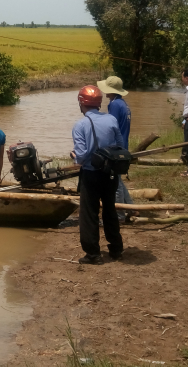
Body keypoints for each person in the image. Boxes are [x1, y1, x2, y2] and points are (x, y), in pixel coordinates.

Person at [70, 85, 125, 264]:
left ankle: (93, 253)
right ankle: (116, 249)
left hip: (91, 174)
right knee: (110, 209)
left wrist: (74, 157)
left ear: (81, 103)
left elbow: (82, 155)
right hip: (110, 173)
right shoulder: (111, 120)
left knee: (89, 213)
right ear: (99, 103)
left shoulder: (80, 125)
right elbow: (120, 146)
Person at [97, 75, 135, 220]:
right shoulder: (122, 103)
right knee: (118, 179)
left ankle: (118, 215)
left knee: (115, 183)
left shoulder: (113, 105)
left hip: (116, 148)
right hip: (123, 145)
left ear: (111, 91)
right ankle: (131, 208)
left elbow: (110, 126)